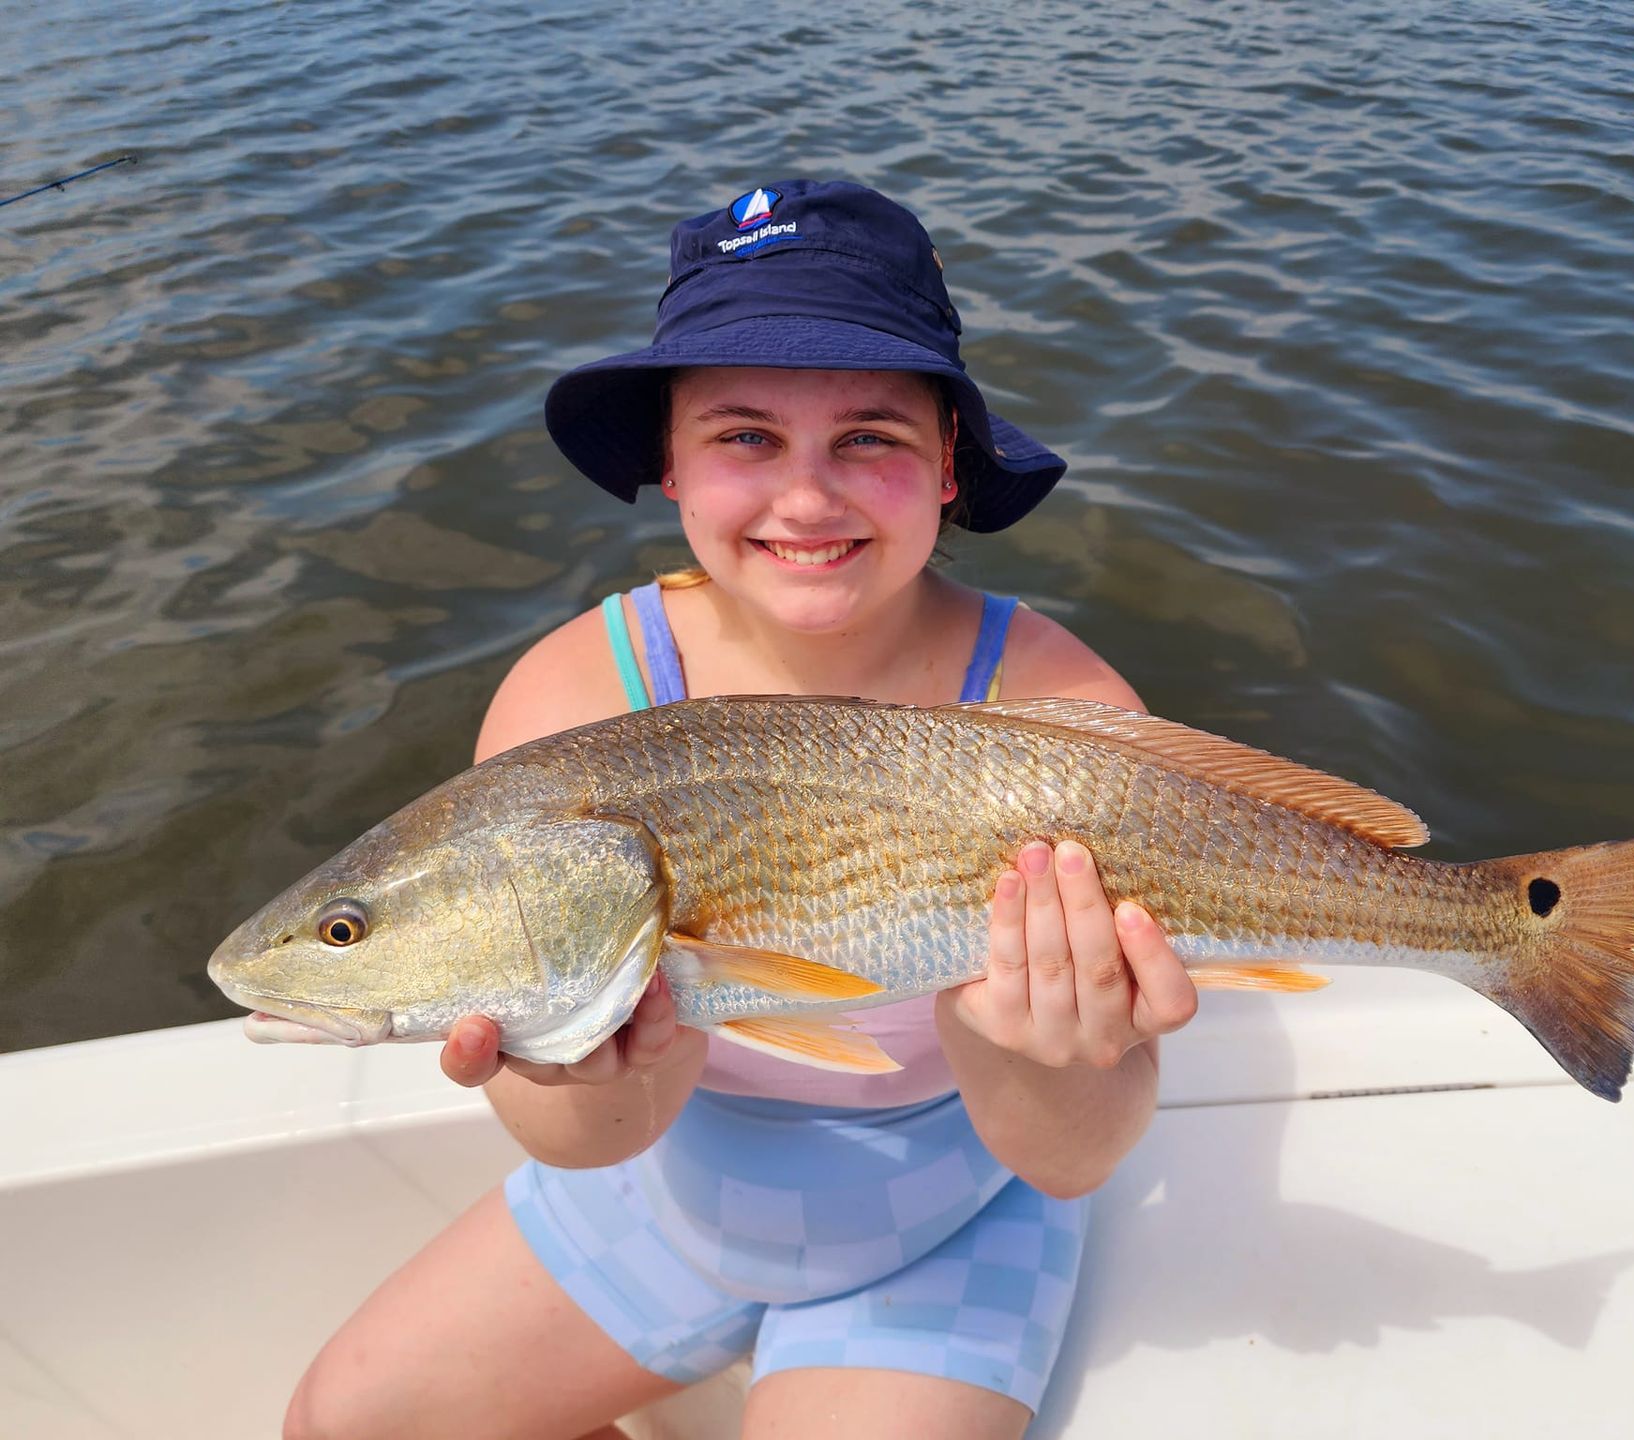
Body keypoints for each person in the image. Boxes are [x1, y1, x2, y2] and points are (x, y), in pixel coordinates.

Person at [284, 179, 1198, 1440]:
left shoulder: (1059, 705)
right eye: (744, 437)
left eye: (870, 436)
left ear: (949, 463)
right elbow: (592, 1143)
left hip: (960, 1215)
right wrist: (599, 1071)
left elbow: (1074, 1153)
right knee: (347, 1423)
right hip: (664, 1198)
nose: (808, 499)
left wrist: (1023, 1038)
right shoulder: (571, 698)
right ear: (669, 464)